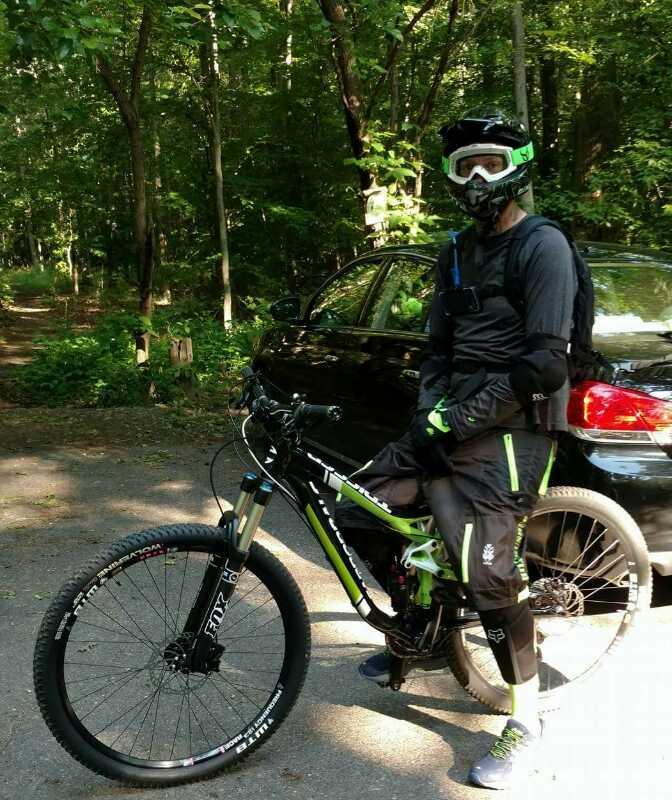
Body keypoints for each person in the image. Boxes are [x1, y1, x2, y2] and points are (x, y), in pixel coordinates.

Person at [335, 106, 577, 790]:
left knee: (488, 572)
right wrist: (427, 416)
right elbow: (437, 349)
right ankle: (424, 629)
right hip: (454, 418)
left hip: (515, 427)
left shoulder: (543, 247)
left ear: (519, 166)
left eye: (491, 163)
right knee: (356, 506)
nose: (476, 176)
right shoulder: (454, 252)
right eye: (464, 162)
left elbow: (544, 368)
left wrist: (459, 418)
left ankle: (526, 720)